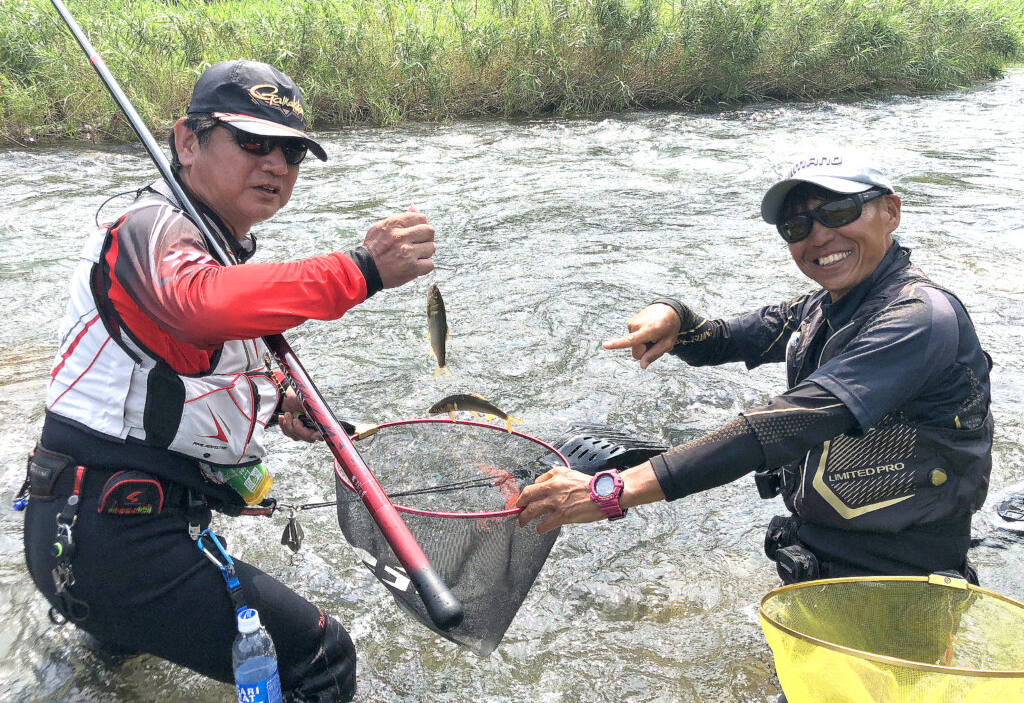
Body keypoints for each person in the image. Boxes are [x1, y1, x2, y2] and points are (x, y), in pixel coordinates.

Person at [22, 60, 436, 701]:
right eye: (252, 142)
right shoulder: (147, 227)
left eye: (292, 152)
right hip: (116, 541)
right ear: (187, 142)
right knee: (321, 657)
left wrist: (277, 407)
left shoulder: (213, 253)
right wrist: (360, 270)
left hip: (95, 537)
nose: (275, 165)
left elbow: (176, 374)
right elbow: (193, 304)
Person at [517, 150, 993, 583]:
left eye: (839, 211)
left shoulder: (920, 319)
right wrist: (674, 315)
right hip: (821, 559)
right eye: (797, 226)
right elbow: (720, 338)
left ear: (890, 212)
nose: (820, 235)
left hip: (905, 574)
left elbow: (782, 426)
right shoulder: (820, 307)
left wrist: (612, 490)